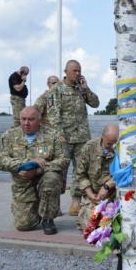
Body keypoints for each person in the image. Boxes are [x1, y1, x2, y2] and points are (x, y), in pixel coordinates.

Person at [0, 106, 68, 234]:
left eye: (31, 119)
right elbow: (0, 160)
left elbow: (64, 160)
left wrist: (37, 169)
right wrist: (25, 164)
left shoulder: (53, 134)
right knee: (24, 225)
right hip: (23, 183)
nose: (26, 123)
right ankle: (33, 209)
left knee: (51, 179)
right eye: (23, 119)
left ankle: (47, 218)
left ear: (39, 120)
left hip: (45, 178)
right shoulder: (10, 135)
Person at [46, 60, 100, 216]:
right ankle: (54, 205)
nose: (78, 73)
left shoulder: (80, 89)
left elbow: (95, 103)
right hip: (64, 138)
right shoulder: (56, 90)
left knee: (80, 170)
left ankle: (76, 202)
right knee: (59, 171)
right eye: (75, 71)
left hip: (82, 138)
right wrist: (59, 135)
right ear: (66, 71)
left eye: (79, 71)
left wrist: (86, 88)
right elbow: (52, 115)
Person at [76, 124, 118, 230]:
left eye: (115, 143)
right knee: (90, 225)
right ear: (102, 137)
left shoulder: (122, 149)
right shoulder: (89, 148)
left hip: (113, 195)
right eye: (109, 144)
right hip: (93, 195)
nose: (112, 146)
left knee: (112, 224)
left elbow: (124, 174)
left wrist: (107, 186)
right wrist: (90, 194)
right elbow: (80, 174)